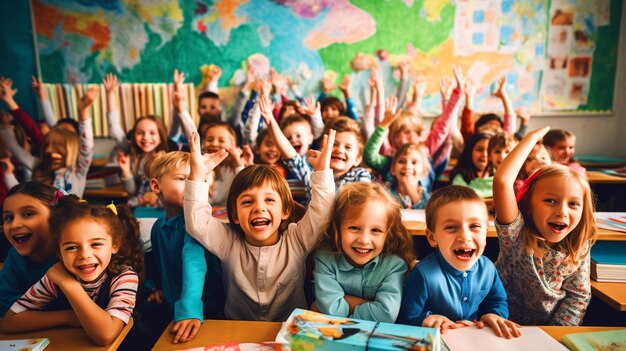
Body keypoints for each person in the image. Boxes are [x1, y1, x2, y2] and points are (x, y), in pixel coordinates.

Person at [183, 128, 335, 321]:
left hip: (289, 332)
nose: (258, 208)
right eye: (247, 202)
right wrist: (197, 176)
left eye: (269, 200)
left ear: (285, 211)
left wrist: (322, 172)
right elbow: (198, 224)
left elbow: (322, 214)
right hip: (237, 331)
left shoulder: (296, 240)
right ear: (235, 215)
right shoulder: (229, 242)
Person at [1, 195, 143, 346]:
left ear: (115, 245)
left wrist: (69, 284)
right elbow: (9, 322)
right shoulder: (54, 277)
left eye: (95, 244)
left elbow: (105, 335)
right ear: (59, 253)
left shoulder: (124, 277)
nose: (84, 255)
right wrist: (68, 317)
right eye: (71, 247)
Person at [493, 127, 597, 325]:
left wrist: (556, 336)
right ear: (529, 206)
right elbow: (502, 180)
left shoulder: (579, 246)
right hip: (499, 324)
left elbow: (578, 298)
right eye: (550, 201)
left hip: (547, 333)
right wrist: (531, 139)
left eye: (573, 204)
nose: (562, 212)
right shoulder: (516, 234)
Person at [398, 185, 520, 339]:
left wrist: (492, 314)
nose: (464, 236)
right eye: (452, 227)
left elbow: (496, 300)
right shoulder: (423, 275)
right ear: (432, 238)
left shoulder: (488, 268)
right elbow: (405, 320)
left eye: (474, 226)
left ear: (486, 233)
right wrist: (426, 319)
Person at [145, 151, 224, 344]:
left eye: (200, 180)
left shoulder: (196, 225)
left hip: (205, 311)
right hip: (174, 307)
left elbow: (194, 264)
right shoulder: (158, 227)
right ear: (156, 186)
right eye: (183, 179)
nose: (192, 186)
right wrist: (157, 287)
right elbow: (157, 263)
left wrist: (190, 309)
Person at [313, 182, 415, 322]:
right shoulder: (325, 259)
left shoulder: (394, 266)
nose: (364, 240)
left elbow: (386, 314)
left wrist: (345, 302)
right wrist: (372, 306)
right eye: (354, 228)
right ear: (337, 229)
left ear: (388, 235)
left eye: (376, 230)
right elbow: (331, 310)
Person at [0, 87, 96, 197]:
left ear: (70, 147)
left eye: (56, 146)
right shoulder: (39, 165)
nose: (48, 150)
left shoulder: (78, 169)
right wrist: (6, 127)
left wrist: (83, 112)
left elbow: (87, 146)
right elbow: (15, 149)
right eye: (47, 145)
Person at [103, 74, 169, 207]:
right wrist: (110, 94)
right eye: (140, 133)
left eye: (152, 133)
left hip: (160, 208)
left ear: (161, 137)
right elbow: (114, 127)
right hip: (138, 207)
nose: (146, 137)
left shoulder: (165, 159)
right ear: (133, 136)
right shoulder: (131, 154)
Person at [0, 182, 58, 316]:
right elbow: (4, 307)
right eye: (8, 217)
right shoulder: (15, 257)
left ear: (57, 217)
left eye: (28, 214)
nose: (14, 225)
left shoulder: (73, 255)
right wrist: (66, 317)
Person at [451, 132, 494, 199]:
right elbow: (461, 201)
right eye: (479, 150)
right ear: (469, 152)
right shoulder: (461, 179)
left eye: (488, 151)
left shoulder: (497, 177)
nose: (484, 155)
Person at [387, 143, 431, 209]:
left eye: (414, 162)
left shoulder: (427, 198)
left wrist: (412, 192)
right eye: (401, 161)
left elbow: (428, 213)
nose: (407, 166)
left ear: (423, 172)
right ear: (393, 169)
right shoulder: (387, 194)